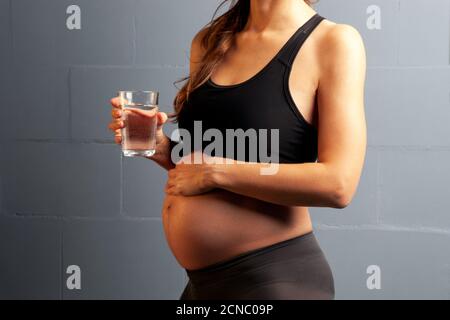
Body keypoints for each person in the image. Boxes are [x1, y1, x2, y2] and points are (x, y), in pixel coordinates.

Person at [109, 0, 366, 300]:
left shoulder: (333, 42)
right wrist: (159, 146)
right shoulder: (210, 42)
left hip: (275, 280)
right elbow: (199, 165)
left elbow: (339, 185)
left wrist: (215, 172)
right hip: (200, 287)